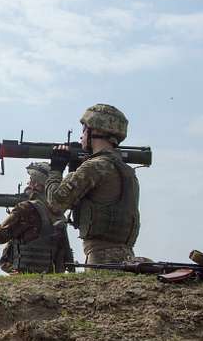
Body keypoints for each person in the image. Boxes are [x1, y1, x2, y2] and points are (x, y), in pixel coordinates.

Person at [45, 104, 140, 264]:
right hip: (126, 255)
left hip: (100, 258)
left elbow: (56, 203)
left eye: (84, 130)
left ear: (93, 132)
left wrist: (55, 169)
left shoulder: (94, 166)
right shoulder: (127, 171)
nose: (81, 137)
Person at [0, 162, 74, 274]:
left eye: (31, 180)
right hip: (51, 278)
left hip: (25, 276)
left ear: (37, 184)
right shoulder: (58, 212)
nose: (28, 183)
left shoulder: (26, 208)